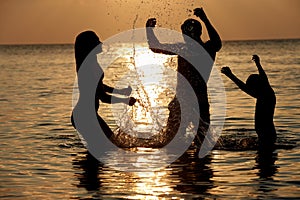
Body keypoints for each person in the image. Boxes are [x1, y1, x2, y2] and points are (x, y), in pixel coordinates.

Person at [146, 8, 222, 148]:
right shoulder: (189, 48)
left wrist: (205, 19)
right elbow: (155, 47)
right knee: (197, 143)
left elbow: (217, 43)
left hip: (193, 100)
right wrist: (149, 30)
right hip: (189, 100)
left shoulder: (201, 49)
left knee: (175, 142)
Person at [71, 30, 136, 139]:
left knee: (108, 145)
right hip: (85, 116)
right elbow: (103, 97)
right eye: (96, 41)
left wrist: (120, 91)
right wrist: (125, 100)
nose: (100, 43)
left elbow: (99, 86)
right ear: (89, 46)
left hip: (86, 115)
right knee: (112, 144)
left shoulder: (92, 63)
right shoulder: (88, 68)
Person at [221, 55, 276, 149]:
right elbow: (262, 77)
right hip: (265, 135)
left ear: (257, 86)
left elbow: (243, 86)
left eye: (252, 88)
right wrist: (258, 64)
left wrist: (230, 75)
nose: (250, 91)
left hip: (267, 135)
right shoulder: (264, 93)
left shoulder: (266, 95)